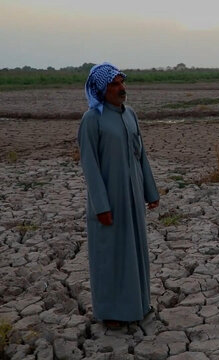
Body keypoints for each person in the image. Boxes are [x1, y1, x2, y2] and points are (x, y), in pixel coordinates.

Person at [77, 62, 159, 328]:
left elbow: (140, 154)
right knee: (110, 254)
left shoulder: (130, 114)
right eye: (114, 84)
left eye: (122, 82)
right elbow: (90, 165)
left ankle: (138, 305)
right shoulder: (92, 120)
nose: (121, 88)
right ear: (101, 89)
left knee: (134, 250)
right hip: (110, 200)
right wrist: (101, 205)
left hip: (133, 196)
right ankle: (111, 314)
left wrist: (150, 191)